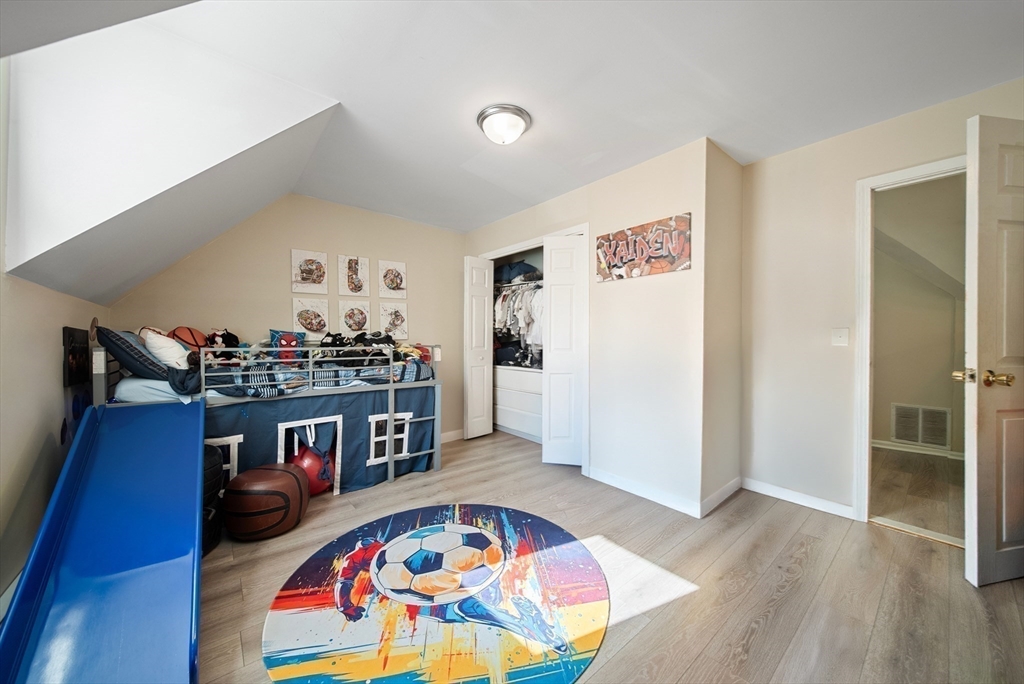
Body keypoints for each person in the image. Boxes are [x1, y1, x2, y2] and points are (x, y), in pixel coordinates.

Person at [333, 538, 568, 654]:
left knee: (469, 610)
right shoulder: (385, 549)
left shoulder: (362, 556)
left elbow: (344, 582)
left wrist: (347, 608)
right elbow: (344, 582)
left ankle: (530, 628)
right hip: (436, 585)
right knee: (475, 607)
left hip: (429, 592)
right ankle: (531, 626)